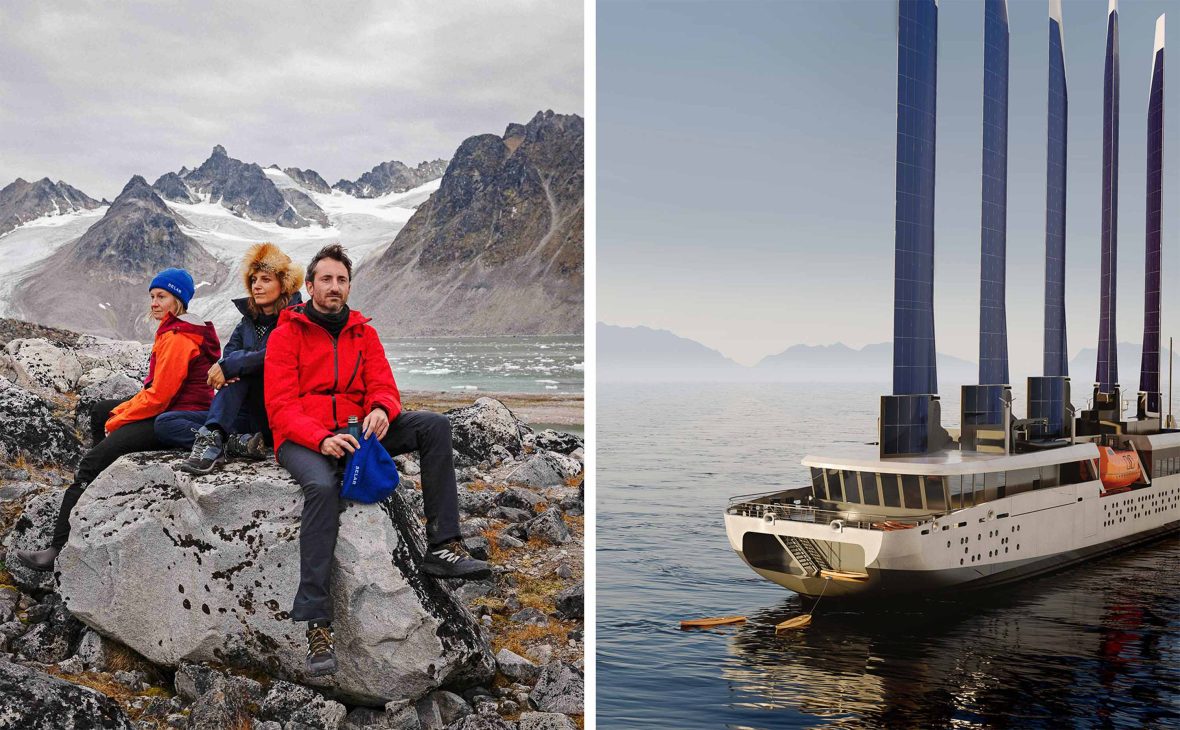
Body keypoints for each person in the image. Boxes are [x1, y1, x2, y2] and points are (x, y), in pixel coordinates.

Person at [265, 243, 490, 676]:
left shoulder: (362, 332)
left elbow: (383, 384)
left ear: (349, 286)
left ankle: (443, 546)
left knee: (433, 426)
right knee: (321, 487)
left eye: (342, 280)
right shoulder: (286, 334)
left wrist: (382, 410)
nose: (334, 287)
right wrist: (320, 439)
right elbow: (280, 407)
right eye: (326, 279)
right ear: (309, 286)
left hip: (357, 430)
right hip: (303, 436)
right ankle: (317, 623)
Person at [16, 268, 220, 571]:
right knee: (100, 410)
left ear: (177, 300)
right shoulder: (172, 329)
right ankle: (103, 478)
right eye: (152, 296)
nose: (153, 302)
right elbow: (155, 392)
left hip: (177, 414)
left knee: (94, 451)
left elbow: (159, 397)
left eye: (161, 296)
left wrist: (119, 419)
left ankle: (57, 549)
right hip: (168, 407)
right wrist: (116, 414)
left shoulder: (180, 337)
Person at [154, 243, 303, 473]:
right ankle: (231, 443)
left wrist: (235, 366)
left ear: (283, 284)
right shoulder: (248, 321)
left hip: (274, 413)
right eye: (254, 280)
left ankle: (213, 446)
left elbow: (278, 356)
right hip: (240, 418)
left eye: (266, 279)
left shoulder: (297, 319)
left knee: (240, 372)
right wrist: (232, 365)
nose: (257, 286)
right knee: (165, 423)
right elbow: (229, 355)